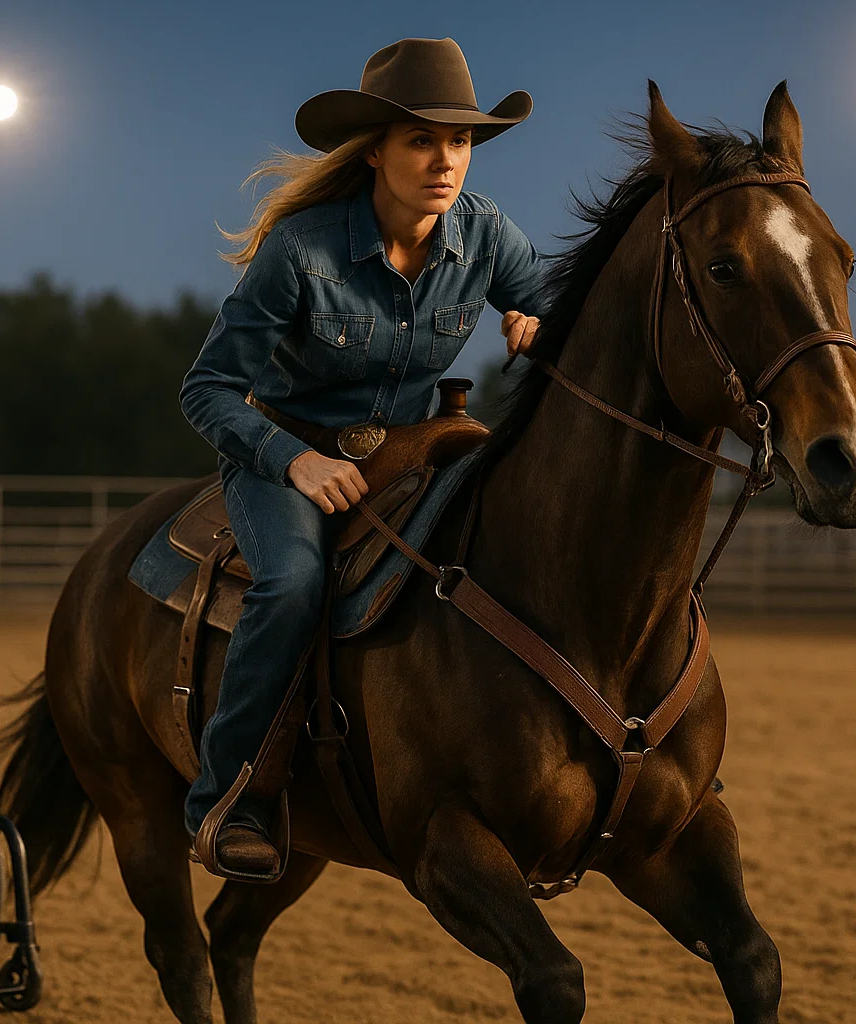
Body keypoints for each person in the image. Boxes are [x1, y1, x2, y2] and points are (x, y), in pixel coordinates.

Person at [179, 36, 549, 876]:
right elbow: (205, 390)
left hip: (416, 449)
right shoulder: (300, 251)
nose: (444, 160)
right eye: (422, 139)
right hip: (289, 456)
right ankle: (228, 797)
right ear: (376, 150)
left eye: (458, 141)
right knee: (294, 583)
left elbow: (552, 294)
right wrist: (292, 462)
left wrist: (541, 319)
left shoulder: (486, 234)